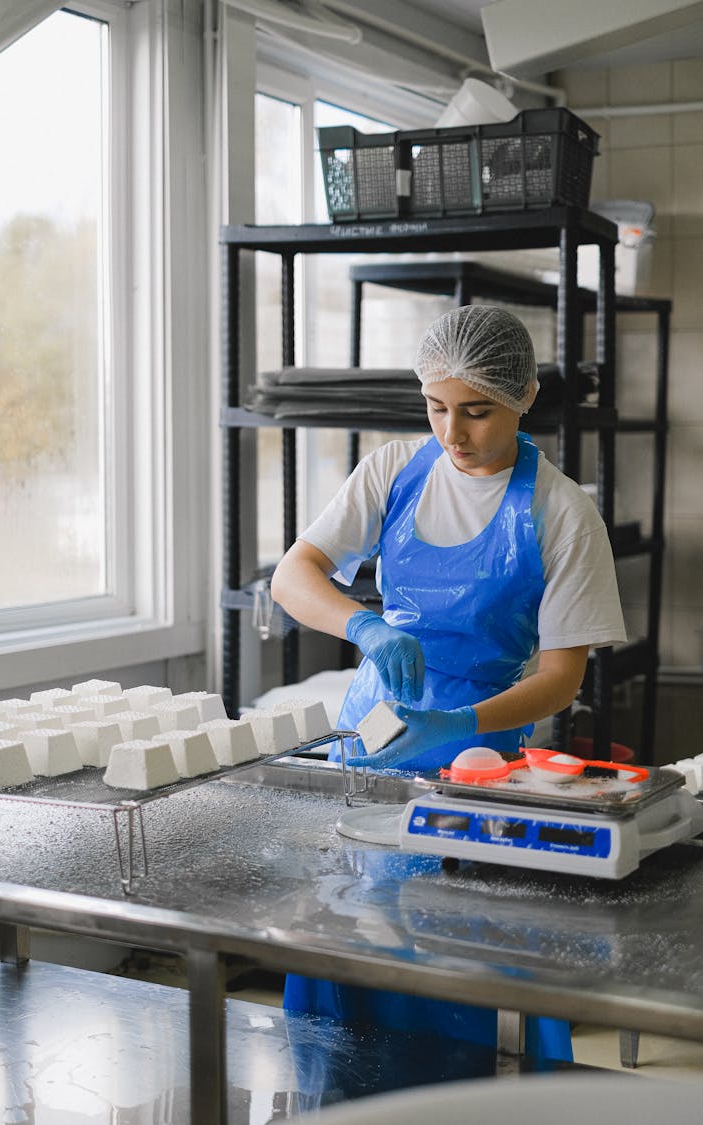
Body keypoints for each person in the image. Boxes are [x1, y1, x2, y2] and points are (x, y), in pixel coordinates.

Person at [270, 304, 627, 1061]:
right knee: (350, 942)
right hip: (370, 742)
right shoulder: (395, 470)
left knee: (462, 953)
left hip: (480, 761)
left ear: (526, 395)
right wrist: (365, 625)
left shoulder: (562, 512)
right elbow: (293, 575)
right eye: (435, 406)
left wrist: (458, 725)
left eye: (477, 411)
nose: (452, 434)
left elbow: (561, 678)